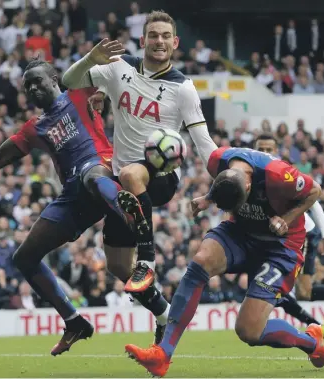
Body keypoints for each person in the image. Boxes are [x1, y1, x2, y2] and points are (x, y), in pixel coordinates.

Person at [0, 53, 169, 354]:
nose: (31, 90)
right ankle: (77, 320)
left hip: (104, 171)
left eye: (36, 82)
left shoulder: (80, 92)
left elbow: (119, 77)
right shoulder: (34, 127)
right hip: (74, 197)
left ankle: (129, 211)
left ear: (54, 79)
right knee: (25, 257)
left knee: (90, 176)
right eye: (26, 86)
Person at [125, 146, 324, 377]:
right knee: (200, 262)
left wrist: (286, 219)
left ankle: (311, 342)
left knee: (248, 331)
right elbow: (226, 182)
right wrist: (209, 198)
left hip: (281, 246)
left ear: (249, 186)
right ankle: (163, 354)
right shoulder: (217, 160)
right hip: (240, 232)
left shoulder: (280, 175)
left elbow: (315, 191)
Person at [62, 10, 217, 294]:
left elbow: (203, 141)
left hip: (162, 175)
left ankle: (148, 259)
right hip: (125, 183)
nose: (160, 41)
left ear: (176, 43)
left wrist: (221, 179)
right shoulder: (119, 67)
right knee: (118, 266)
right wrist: (90, 60)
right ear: (143, 40)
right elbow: (69, 81)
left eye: (166, 36)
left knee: (133, 173)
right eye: (154, 35)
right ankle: (162, 315)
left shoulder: (183, 88)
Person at [254, 133, 324, 331]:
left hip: (302, 235)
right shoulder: (250, 175)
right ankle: (321, 322)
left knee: (297, 291)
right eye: (260, 149)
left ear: (277, 152)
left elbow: (313, 200)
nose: (264, 153)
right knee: (283, 289)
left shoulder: (285, 174)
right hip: (274, 238)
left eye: (269, 149)